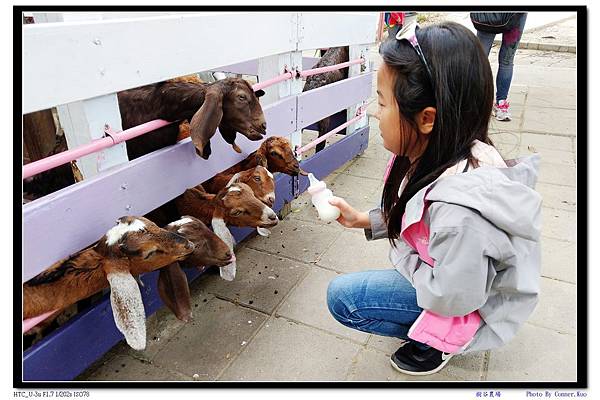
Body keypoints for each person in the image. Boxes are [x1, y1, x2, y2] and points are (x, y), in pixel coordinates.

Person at [326, 21, 542, 376]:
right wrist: (366, 220)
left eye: (381, 102)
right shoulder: (447, 149)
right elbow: (417, 212)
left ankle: (438, 342)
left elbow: (454, 296)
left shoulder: (460, 216)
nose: (373, 112)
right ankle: (431, 328)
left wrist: (404, 258)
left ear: (427, 118)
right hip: (456, 272)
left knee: (345, 300)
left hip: (466, 298)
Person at [474, 13, 528, 121]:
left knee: (480, 58)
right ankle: (501, 104)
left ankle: (477, 103)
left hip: (489, 16)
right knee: (505, 60)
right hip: (515, 16)